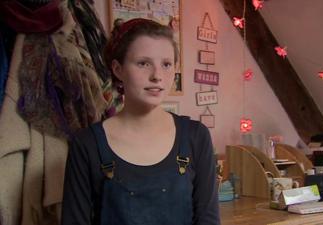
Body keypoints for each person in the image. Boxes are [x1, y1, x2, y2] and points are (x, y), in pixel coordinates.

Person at [61, 18, 220, 225]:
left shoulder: (196, 137)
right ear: (118, 69)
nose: (157, 76)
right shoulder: (86, 145)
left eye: (166, 64)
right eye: (143, 63)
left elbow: (208, 219)